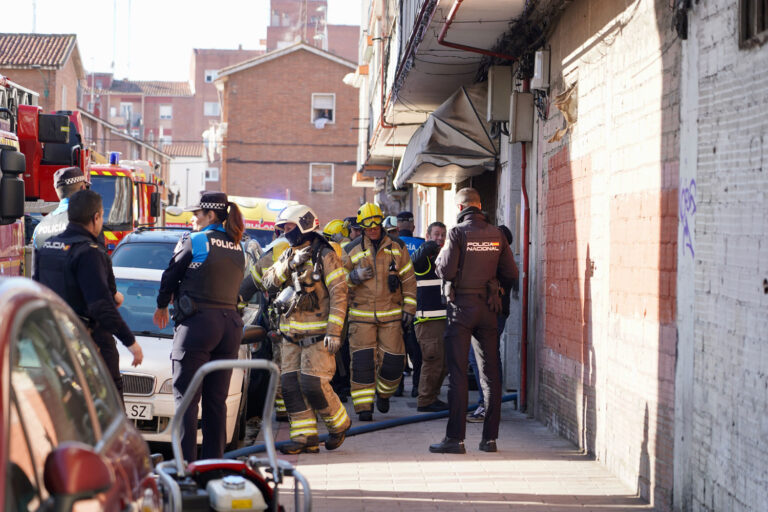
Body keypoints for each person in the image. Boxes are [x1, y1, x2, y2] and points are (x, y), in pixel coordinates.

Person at [153, 191, 246, 462]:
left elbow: (171, 274)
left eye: (197, 214)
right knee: (216, 403)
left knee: (187, 402)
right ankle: (214, 468)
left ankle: (186, 470)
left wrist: (161, 305)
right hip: (229, 329)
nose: (193, 219)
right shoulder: (237, 245)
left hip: (198, 327)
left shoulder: (196, 240)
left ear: (211, 215)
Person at [430, 188, 518, 454]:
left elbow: (444, 269)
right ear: (479, 206)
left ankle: (455, 440)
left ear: (459, 209)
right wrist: (494, 289)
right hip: (488, 308)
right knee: (490, 374)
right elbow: (511, 273)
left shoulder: (457, 233)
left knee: (458, 373)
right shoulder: (498, 235)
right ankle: (489, 440)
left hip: (462, 309)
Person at [35, 189, 143, 399]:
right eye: (102, 216)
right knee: (110, 394)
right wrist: (131, 342)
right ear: (96, 217)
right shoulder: (89, 252)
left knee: (63, 401)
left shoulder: (47, 246)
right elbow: (101, 305)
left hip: (53, 338)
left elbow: (37, 290)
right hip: (88, 337)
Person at [262, 205, 351, 454]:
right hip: (290, 335)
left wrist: (334, 332)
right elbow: (267, 281)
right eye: (283, 229)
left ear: (304, 225)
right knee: (290, 386)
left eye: (289, 228)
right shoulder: (289, 253)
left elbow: (340, 294)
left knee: (313, 384)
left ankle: (339, 424)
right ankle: (304, 438)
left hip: (319, 336)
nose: (285, 233)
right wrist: (289, 265)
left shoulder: (326, 254)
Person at [342, 203, 417, 421]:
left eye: (376, 224)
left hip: (391, 315)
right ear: (362, 226)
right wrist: (353, 277)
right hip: (361, 317)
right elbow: (337, 283)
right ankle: (364, 408)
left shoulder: (397, 247)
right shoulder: (351, 249)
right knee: (362, 364)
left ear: (381, 222)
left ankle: (384, 394)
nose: (373, 228)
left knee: (394, 363)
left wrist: (409, 308)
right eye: (368, 225)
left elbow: (409, 280)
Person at [239, 227, 291, 423]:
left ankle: (287, 412)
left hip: (289, 325)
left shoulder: (275, 250)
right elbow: (251, 283)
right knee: (290, 369)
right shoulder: (276, 251)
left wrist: (237, 307)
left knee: (285, 368)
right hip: (293, 325)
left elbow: (250, 283)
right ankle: (289, 413)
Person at [468, 224, 514, 423]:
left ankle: (487, 406)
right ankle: (489, 404)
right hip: (489, 313)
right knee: (486, 359)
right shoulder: (501, 260)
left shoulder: (499, 262)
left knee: (484, 360)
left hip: (491, 314)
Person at [412, 221, 449, 412]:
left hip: (443, 320)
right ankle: (425, 401)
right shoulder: (423, 258)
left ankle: (432, 398)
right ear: (427, 236)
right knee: (433, 361)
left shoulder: (443, 258)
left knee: (443, 363)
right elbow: (414, 262)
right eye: (436, 234)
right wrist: (427, 247)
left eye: (443, 234)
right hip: (428, 322)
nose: (440, 238)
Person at [396, 210, 424, 397]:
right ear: (413, 227)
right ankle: (416, 387)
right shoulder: (423, 245)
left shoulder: (390, 245)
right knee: (417, 351)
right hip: (417, 304)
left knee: (396, 349)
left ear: (397, 228)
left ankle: (396, 388)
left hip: (394, 305)